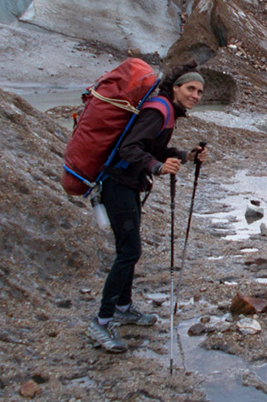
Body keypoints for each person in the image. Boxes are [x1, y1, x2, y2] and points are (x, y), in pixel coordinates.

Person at [86, 61, 208, 353]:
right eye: (190, 88)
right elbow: (130, 148)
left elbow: (151, 148)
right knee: (129, 251)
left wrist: (184, 155)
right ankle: (101, 321)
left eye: (200, 91)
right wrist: (156, 167)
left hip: (127, 183)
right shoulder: (159, 110)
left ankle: (123, 306)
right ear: (176, 87)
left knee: (129, 250)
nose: (195, 95)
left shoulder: (167, 110)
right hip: (118, 184)